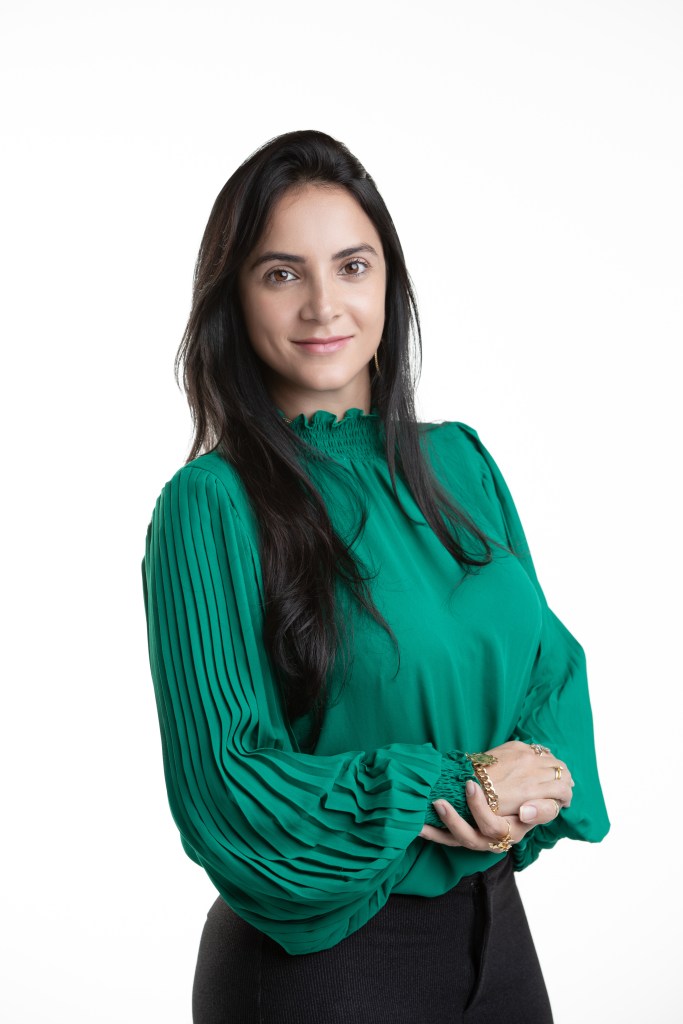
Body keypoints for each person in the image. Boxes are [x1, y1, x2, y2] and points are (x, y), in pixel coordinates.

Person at [142, 129, 610, 1023]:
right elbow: (228, 788)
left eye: (351, 266)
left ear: (388, 283)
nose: (323, 305)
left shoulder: (461, 463)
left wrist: (535, 779)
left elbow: (550, 671)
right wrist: (463, 780)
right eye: (282, 273)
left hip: (499, 943)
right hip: (324, 969)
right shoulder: (210, 506)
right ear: (233, 298)